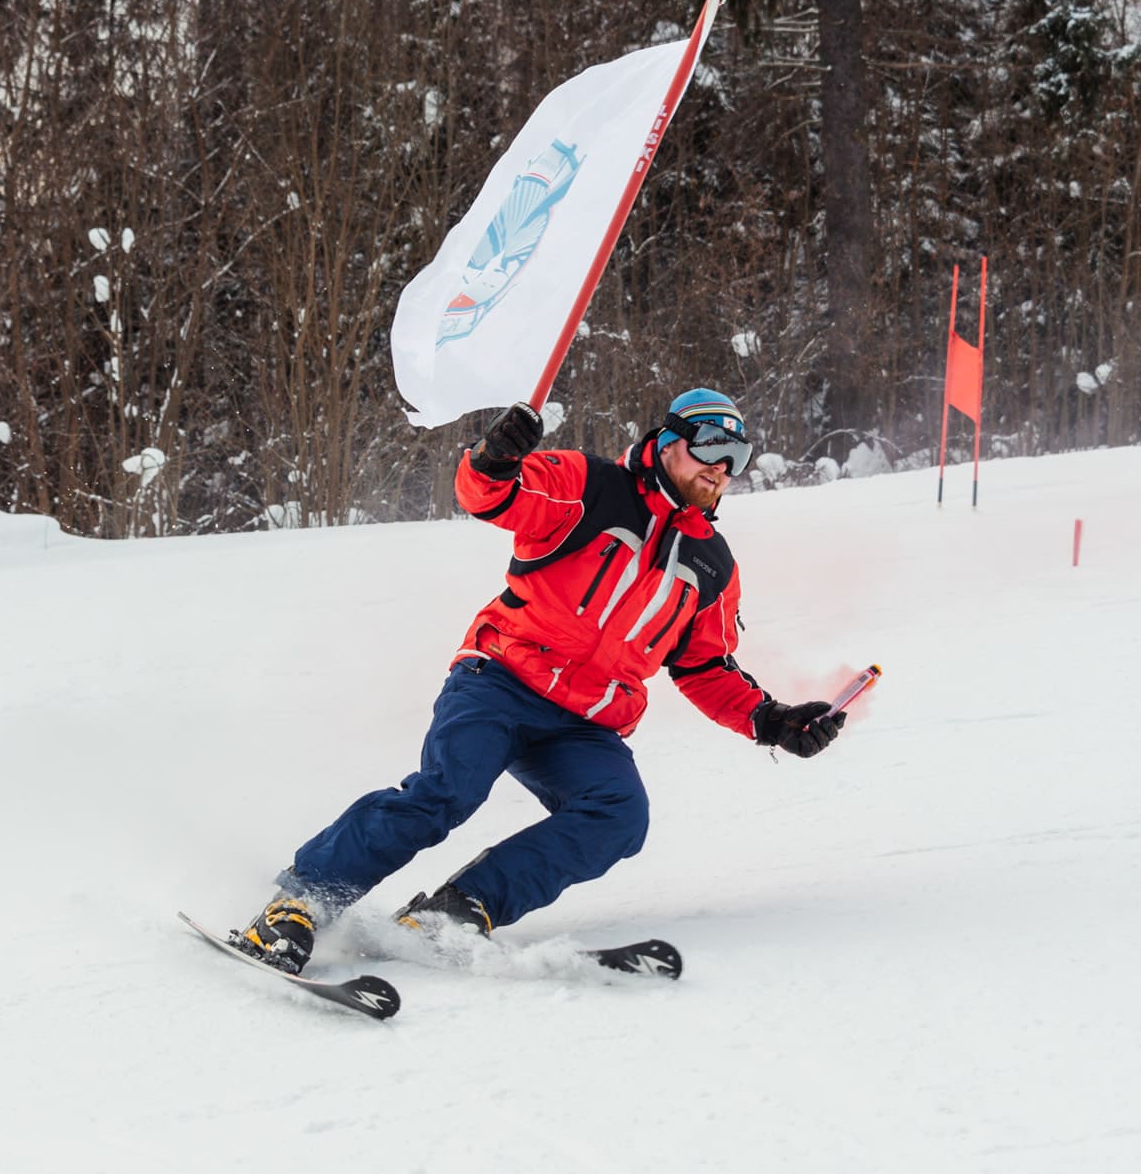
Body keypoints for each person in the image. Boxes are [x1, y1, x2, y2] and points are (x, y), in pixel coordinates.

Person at [238, 388, 846, 972]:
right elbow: (492, 496)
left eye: (735, 458)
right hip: (501, 679)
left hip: (583, 723)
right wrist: (495, 458)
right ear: (667, 441)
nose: (721, 468)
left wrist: (771, 720)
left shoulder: (712, 564)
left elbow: (703, 665)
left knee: (619, 814)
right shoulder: (590, 486)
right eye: (711, 446)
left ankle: (455, 912)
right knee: (448, 791)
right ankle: (300, 902)